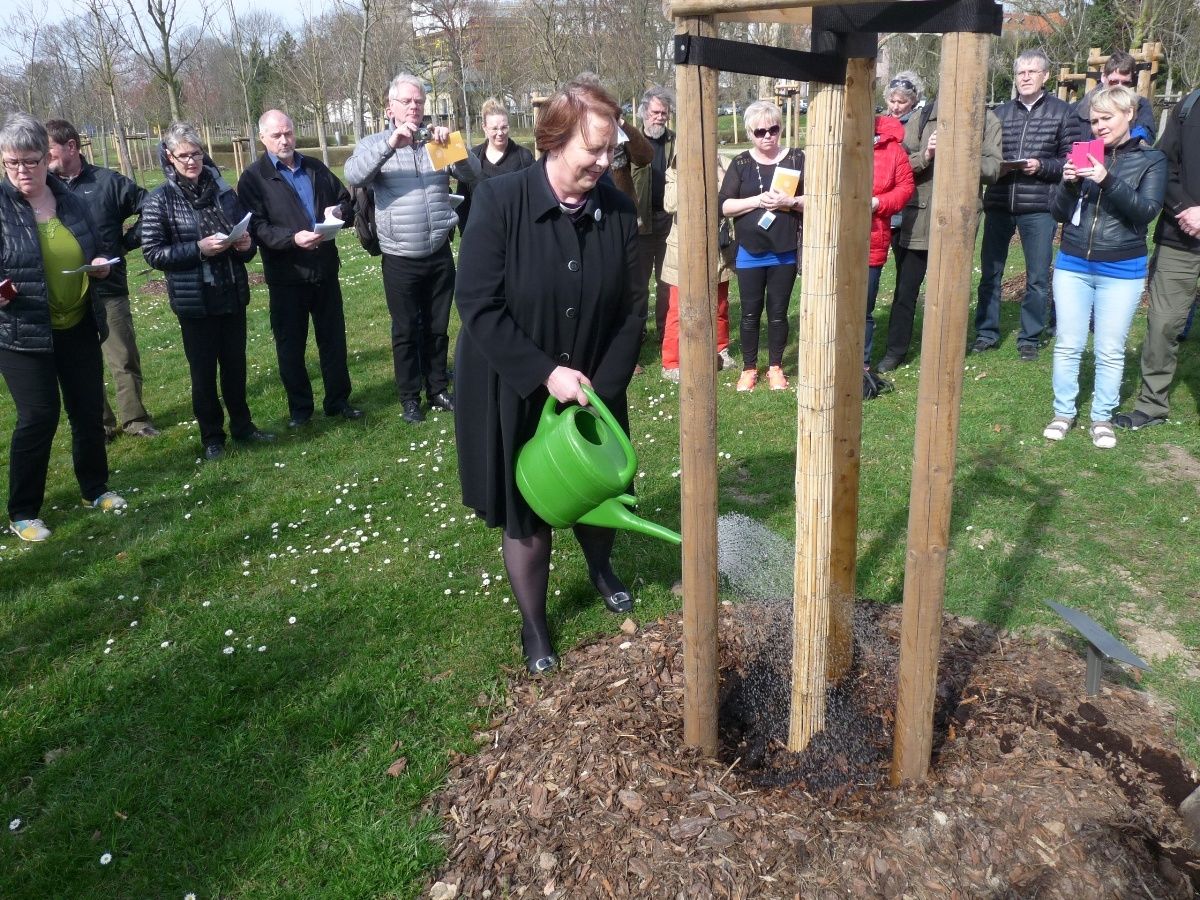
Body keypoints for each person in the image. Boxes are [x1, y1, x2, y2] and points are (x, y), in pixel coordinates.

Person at [453, 79, 644, 675]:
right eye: (594, 149)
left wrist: (600, 391)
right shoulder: (498, 201)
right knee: (528, 509)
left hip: (592, 387)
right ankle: (534, 625)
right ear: (554, 142)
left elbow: (632, 308)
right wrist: (544, 373)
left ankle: (601, 569)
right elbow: (477, 302)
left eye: (611, 149)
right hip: (516, 383)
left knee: (597, 492)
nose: (605, 161)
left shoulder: (618, 210)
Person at [0, 113, 127, 542]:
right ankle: (23, 512)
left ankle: (95, 489)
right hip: (23, 332)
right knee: (39, 417)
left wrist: (101, 264)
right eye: (11, 162)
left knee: (87, 411)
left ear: (46, 158)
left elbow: (99, 245)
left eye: (30, 161)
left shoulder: (70, 201)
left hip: (77, 323)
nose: (21, 171)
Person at [344, 73, 481, 424]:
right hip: (399, 255)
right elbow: (355, 175)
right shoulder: (377, 143)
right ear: (390, 108)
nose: (414, 107)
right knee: (405, 330)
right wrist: (391, 144)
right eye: (406, 101)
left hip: (437, 251)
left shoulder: (436, 141)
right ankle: (409, 397)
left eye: (419, 101)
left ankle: (437, 388)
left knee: (437, 326)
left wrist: (453, 144)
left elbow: (473, 174)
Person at [140, 122, 275, 461]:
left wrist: (245, 244)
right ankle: (212, 436)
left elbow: (246, 243)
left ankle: (243, 426)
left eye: (197, 154)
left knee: (235, 367)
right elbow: (153, 253)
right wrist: (198, 249)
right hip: (195, 300)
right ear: (169, 158)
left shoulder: (222, 192)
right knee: (203, 374)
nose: (191, 161)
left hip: (230, 292)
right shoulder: (160, 200)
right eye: (183, 156)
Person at [1042, 86, 1166, 449]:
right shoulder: (1083, 153)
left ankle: (1101, 417)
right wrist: (1068, 184)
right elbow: (1058, 213)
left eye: (1107, 118)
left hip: (1122, 269)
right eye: (1095, 120)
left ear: (1129, 114)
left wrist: (1106, 180)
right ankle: (1063, 412)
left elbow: (1145, 212)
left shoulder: (1151, 160)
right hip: (1073, 263)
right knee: (1068, 344)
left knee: (1110, 349)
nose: (1099, 126)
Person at [237, 110, 361, 430]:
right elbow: (257, 227)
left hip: (324, 270)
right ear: (262, 138)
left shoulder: (315, 167)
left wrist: (340, 212)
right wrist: (292, 239)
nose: (285, 140)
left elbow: (346, 201)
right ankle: (301, 410)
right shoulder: (254, 178)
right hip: (287, 275)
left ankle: (338, 401)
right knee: (291, 346)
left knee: (333, 341)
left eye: (288, 133)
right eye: (277, 135)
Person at [45, 119, 158, 441]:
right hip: (65, 293)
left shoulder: (108, 182)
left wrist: (124, 243)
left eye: (48, 149)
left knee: (123, 356)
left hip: (108, 288)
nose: (43, 157)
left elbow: (150, 207)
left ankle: (135, 420)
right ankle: (101, 424)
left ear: (71, 146)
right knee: (82, 363)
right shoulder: (43, 189)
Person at [877, 100, 1003, 372]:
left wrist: (962, 153)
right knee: (905, 291)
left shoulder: (985, 118)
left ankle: (946, 351)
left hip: (958, 222)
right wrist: (927, 153)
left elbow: (993, 169)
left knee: (951, 292)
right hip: (919, 219)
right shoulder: (922, 117)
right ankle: (895, 351)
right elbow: (900, 165)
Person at [974, 48, 1073, 361]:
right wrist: (997, 167)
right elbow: (984, 154)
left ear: (1045, 76)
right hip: (1000, 202)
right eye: (1021, 72)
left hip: (1039, 206)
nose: (1026, 77)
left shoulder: (1062, 112)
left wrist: (1041, 166)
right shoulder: (999, 113)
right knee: (991, 272)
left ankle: (1029, 337)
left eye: (1032, 72)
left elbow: (1070, 160)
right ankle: (986, 333)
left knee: (1038, 277)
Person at [1114, 87, 1200, 430]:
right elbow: (1164, 166)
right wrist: (1186, 210)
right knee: (1163, 324)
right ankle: (1152, 405)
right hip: (1181, 234)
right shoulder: (1189, 106)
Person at [718, 100, 804, 391]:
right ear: (750, 133)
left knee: (778, 313)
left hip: (784, 251)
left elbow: (817, 198)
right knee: (750, 313)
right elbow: (724, 205)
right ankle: (749, 368)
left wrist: (790, 201)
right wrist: (757, 200)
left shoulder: (796, 158)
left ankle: (776, 367)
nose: (767, 136)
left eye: (773, 129)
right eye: (760, 131)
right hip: (750, 251)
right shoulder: (741, 163)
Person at [659, 154, 736, 381]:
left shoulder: (724, 163)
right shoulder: (675, 169)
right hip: (683, 250)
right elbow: (670, 204)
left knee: (720, 304)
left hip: (717, 248)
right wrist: (689, 173)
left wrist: (715, 171)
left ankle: (720, 350)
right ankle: (671, 362)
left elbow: (729, 199)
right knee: (677, 309)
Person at [863, 114, 914, 367]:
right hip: (835, 238)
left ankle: (861, 365)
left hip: (872, 236)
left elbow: (905, 187)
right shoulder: (839, 138)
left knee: (864, 306)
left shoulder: (893, 150)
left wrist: (879, 203)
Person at [631, 86, 676, 340]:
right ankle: (636, 333)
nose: (660, 117)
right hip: (640, 223)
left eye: (664, 113)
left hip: (668, 221)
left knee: (666, 281)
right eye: (655, 112)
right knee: (638, 283)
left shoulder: (675, 141)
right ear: (644, 112)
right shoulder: (630, 142)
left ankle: (664, 332)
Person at [454, 97, 534, 231]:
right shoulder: (473, 158)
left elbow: (534, 197)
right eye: (494, 128)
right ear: (484, 128)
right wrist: (467, 233)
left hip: (517, 231)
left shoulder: (524, 157)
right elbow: (463, 201)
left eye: (504, 127)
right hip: (481, 232)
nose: (500, 133)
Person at [1071, 51, 1157, 143]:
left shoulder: (1140, 105)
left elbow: (1145, 134)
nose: (1119, 87)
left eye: (1125, 83)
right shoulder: (1077, 110)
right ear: (1103, 77)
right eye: (1114, 82)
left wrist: (1130, 144)